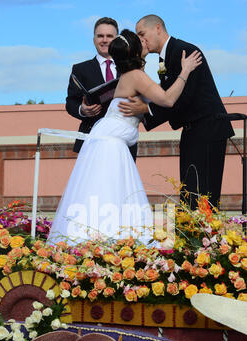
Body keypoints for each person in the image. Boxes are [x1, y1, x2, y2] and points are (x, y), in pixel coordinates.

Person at [47, 29, 201, 246]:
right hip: (111, 144)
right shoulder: (136, 76)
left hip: (107, 139)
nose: (145, 42)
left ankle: (98, 243)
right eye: (141, 41)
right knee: (109, 194)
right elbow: (167, 100)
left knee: (102, 196)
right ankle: (102, 244)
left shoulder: (128, 75)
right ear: (136, 51)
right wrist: (185, 72)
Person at [118, 15, 234, 209]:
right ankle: (192, 235)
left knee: (203, 192)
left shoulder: (184, 51)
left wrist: (146, 110)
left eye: (142, 34)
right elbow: (168, 95)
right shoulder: (168, 56)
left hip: (207, 130)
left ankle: (203, 236)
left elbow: (182, 97)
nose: (140, 40)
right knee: (190, 191)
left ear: (157, 28)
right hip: (193, 130)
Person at [66, 17, 136, 162]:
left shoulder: (130, 68)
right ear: (94, 39)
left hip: (123, 141)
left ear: (117, 40)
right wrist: (82, 110)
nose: (104, 40)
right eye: (100, 36)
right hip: (91, 140)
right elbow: (70, 102)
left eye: (109, 36)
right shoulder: (80, 69)